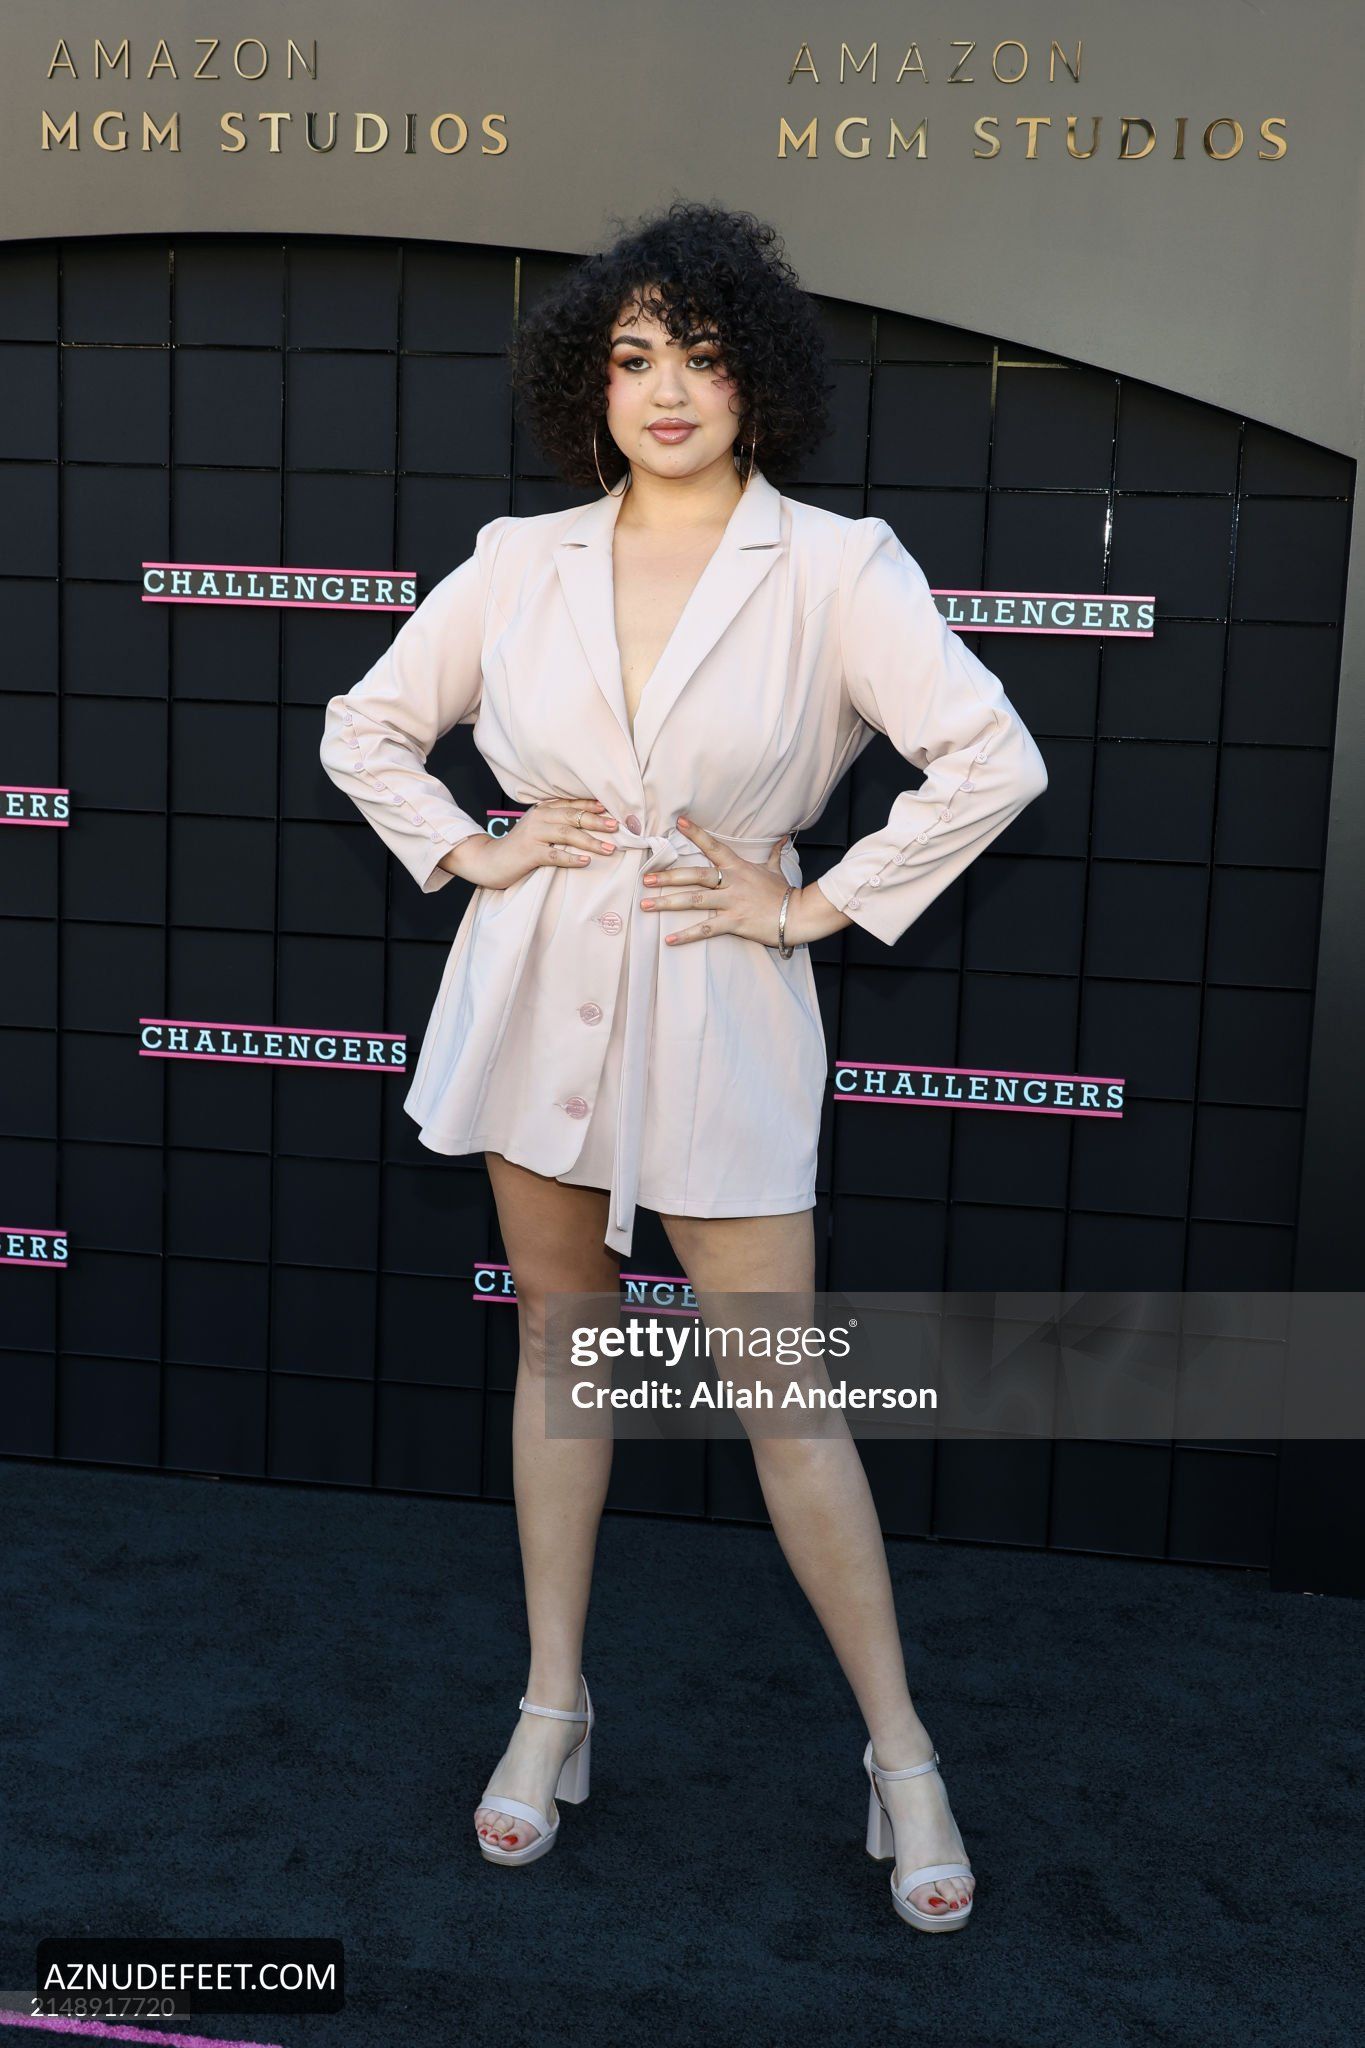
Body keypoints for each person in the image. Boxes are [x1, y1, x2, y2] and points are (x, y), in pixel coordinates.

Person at [318, 200, 1048, 1931]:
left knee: (783, 1392)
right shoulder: (518, 561)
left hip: (721, 1001)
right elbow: (366, 725)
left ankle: (901, 1755)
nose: (665, 390)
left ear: (754, 380)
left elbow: (988, 756)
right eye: (633, 356)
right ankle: (550, 1704)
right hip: (537, 986)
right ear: (588, 379)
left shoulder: (839, 566)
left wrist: (804, 906)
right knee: (561, 1349)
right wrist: (472, 849)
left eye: (701, 357)